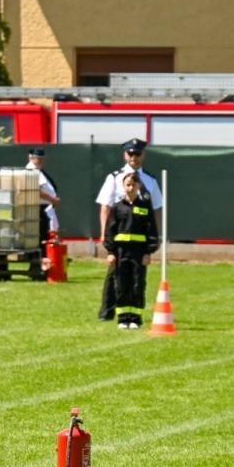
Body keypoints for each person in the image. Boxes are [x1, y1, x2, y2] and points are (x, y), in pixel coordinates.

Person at [94, 138, 163, 321]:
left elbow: (156, 209)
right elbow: (106, 207)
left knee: (138, 276)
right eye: (130, 154)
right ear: (125, 155)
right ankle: (107, 309)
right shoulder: (114, 177)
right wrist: (104, 233)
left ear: (143, 155)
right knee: (115, 273)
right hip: (120, 235)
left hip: (140, 237)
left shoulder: (150, 180)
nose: (134, 157)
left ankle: (133, 311)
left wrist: (157, 235)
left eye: (137, 154)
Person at [103, 170, 159, 329]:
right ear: (123, 186)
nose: (130, 188)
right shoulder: (117, 207)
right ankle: (123, 318)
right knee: (121, 284)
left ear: (138, 186)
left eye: (133, 185)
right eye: (127, 185)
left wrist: (148, 252)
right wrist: (110, 252)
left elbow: (151, 231)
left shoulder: (145, 207)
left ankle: (135, 318)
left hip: (139, 253)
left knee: (137, 284)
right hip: (121, 252)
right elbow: (110, 231)